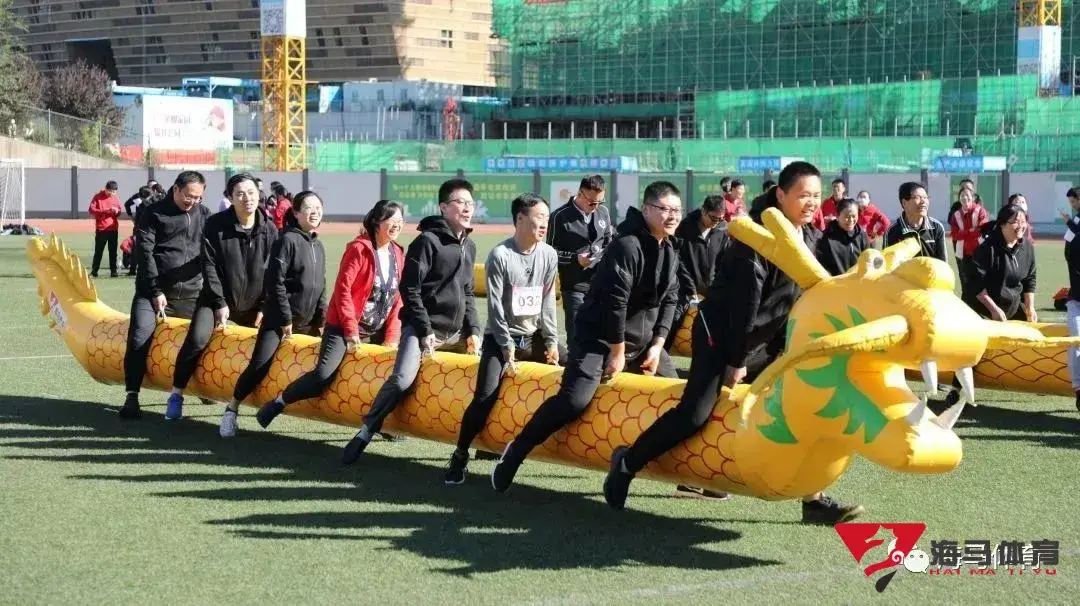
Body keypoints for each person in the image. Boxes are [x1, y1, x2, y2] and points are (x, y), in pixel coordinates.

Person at [601, 161, 865, 525]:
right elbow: (746, 305)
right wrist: (737, 360)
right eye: (804, 195)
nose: (812, 203)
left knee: (805, 405)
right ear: (780, 195)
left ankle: (813, 499)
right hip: (721, 336)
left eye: (817, 196)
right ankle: (627, 463)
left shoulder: (809, 237)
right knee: (695, 413)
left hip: (765, 341)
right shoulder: (753, 236)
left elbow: (803, 296)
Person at [490, 181, 683, 494]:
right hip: (599, 338)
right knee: (574, 400)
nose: (671, 216)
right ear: (646, 209)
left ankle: (675, 475)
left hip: (643, 343)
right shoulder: (627, 245)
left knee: (678, 396)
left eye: (676, 210)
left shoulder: (670, 247)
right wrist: (617, 352)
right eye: (664, 209)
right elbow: (615, 302)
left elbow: (671, 297)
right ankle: (517, 450)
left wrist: (658, 344)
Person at [340, 179, 481, 463]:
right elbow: (410, 289)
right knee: (402, 380)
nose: (467, 208)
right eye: (460, 202)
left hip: (455, 333)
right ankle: (366, 431)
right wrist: (425, 330)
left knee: (488, 371)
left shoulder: (470, 246)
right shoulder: (426, 242)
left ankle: (486, 447)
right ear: (443, 207)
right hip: (421, 329)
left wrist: (474, 331)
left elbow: (467, 292)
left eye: (470, 203)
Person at [443, 193, 563, 484]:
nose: (544, 224)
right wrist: (507, 347)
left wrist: (551, 341)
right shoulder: (500, 255)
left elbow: (548, 301)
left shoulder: (549, 254)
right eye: (539, 218)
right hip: (500, 338)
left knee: (574, 366)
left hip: (533, 336)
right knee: (485, 396)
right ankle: (460, 454)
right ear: (520, 219)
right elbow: (495, 308)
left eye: (547, 219)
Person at [256, 199, 406, 431]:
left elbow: (397, 299)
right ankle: (278, 403)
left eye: (400, 220)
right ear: (377, 222)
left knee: (390, 377)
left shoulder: (398, 253)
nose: (396, 225)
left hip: (377, 328)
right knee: (323, 376)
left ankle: (383, 426)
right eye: (391, 220)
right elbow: (343, 291)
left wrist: (392, 337)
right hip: (344, 326)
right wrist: (350, 331)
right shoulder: (359, 249)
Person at [165, 173, 279, 425]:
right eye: (240, 194)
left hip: (253, 304)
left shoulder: (270, 229)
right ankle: (176, 393)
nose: (247, 198)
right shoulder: (215, 224)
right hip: (215, 299)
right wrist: (219, 303)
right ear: (230, 197)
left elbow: (273, 273)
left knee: (266, 346)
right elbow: (209, 267)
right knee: (197, 339)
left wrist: (264, 306)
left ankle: (250, 401)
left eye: (251, 192)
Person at [225, 191, 328, 424]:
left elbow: (321, 285)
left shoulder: (319, 245)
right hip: (278, 320)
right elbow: (275, 282)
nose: (315, 212)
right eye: (309, 208)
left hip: (308, 321)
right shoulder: (287, 240)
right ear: (296, 213)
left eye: (318, 208)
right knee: (260, 364)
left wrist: (321, 319)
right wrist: (285, 319)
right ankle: (232, 408)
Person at [119, 171, 211, 419]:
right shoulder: (153, 213)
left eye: (198, 197)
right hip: (151, 293)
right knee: (139, 337)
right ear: (176, 189)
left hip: (191, 292)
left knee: (203, 338)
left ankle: (199, 387)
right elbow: (145, 254)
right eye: (189, 196)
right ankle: (132, 395)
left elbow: (211, 253)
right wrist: (155, 290)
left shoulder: (204, 214)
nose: (193, 202)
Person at [940, 204, 1036, 409]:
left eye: (1023, 221)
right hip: (982, 307)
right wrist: (993, 309)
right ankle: (956, 390)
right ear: (1002, 225)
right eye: (1015, 222)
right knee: (973, 346)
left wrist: (1030, 307)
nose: (1020, 226)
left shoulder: (1027, 247)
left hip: (1010, 305)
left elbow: (1030, 279)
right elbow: (975, 283)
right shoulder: (988, 248)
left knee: (1034, 336)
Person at [546, 175, 615, 347]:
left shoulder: (603, 212)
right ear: (580, 194)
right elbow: (550, 253)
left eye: (600, 201)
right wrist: (575, 259)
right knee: (577, 337)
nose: (596, 206)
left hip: (601, 284)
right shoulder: (559, 216)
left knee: (602, 336)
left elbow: (609, 242)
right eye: (592, 202)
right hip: (574, 287)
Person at [669, 194, 729, 349]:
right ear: (703, 211)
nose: (716, 223)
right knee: (672, 325)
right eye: (713, 218)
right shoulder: (684, 228)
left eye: (720, 219)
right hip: (683, 290)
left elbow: (723, 261)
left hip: (711, 290)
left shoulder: (722, 230)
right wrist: (690, 288)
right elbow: (678, 260)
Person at [884, 182, 948, 262]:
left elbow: (943, 263)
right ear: (904, 203)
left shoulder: (937, 227)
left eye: (925, 197)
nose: (923, 201)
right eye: (918, 197)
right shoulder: (892, 231)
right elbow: (887, 264)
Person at [816, 198, 872, 276]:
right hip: (836, 282)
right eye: (847, 216)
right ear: (837, 215)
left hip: (859, 281)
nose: (851, 220)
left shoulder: (861, 236)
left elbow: (868, 260)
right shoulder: (826, 238)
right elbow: (822, 266)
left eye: (854, 216)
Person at [1061, 187, 1080, 411]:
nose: (1072, 204)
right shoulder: (1075, 221)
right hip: (1076, 298)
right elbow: (1068, 250)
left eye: (1073, 200)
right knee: (1076, 340)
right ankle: (1078, 389)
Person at [949, 188, 990, 291]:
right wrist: (971, 231)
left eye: (967, 195)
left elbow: (982, 229)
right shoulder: (956, 215)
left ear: (972, 197)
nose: (965, 197)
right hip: (964, 254)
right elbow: (954, 235)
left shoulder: (980, 211)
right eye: (962, 195)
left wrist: (963, 233)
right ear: (959, 198)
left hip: (980, 252)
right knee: (966, 283)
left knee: (983, 283)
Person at [89, 180, 122, 278]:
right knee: (98, 251)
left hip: (113, 228)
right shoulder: (97, 196)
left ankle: (113, 271)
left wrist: (117, 211)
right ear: (106, 189)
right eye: (110, 191)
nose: (112, 193)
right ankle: (94, 271)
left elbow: (119, 210)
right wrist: (106, 211)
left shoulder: (115, 197)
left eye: (114, 192)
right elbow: (91, 210)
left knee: (113, 251)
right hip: (101, 229)